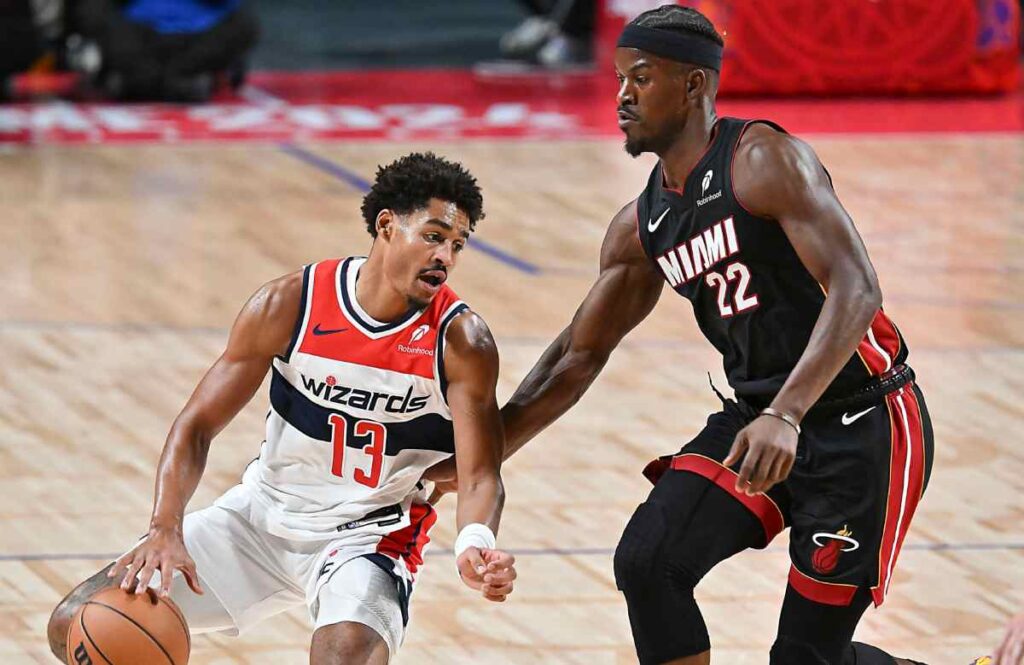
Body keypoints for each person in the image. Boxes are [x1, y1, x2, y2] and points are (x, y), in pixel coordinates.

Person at [440, 4, 935, 664]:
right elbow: (578, 355)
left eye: (641, 78)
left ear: (694, 84)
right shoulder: (641, 224)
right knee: (649, 563)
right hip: (758, 418)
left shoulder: (762, 161)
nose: (622, 95)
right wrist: (483, 457)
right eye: (619, 78)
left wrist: (787, 414)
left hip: (861, 421)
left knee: (805, 658)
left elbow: (858, 288)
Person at [46, 152, 517, 665]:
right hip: (258, 519)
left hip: (367, 536)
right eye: (433, 236)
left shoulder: (461, 341)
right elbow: (197, 425)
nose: (445, 256)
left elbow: (480, 474)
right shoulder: (292, 303)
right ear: (386, 225)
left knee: (344, 657)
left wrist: (474, 540)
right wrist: (165, 528)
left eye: (457, 245)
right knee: (77, 622)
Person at [72, 0, 258, 101]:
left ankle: (175, 78)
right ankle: (154, 81)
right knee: (93, 12)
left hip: (200, 32)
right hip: (140, 31)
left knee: (244, 25)